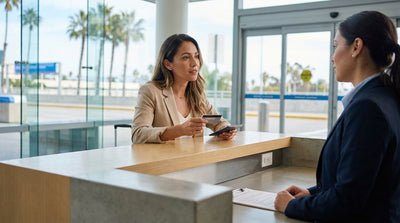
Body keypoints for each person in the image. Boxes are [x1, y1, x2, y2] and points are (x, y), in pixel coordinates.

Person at [274, 11, 400, 222]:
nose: (332, 57)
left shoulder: (368, 109)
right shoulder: (386, 96)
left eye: (335, 46)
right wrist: (314, 194)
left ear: (356, 47)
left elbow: (347, 201)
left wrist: (292, 205)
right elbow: (362, 184)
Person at [131, 34, 236, 144]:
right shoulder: (151, 91)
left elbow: (217, 122)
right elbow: (138, 134)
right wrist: (179, 130)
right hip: (165, 160)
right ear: (168, 64)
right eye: (186, 57)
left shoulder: (197, 94)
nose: (195, 63)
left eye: (196, 56)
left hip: (195, 160)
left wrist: (225, 129)